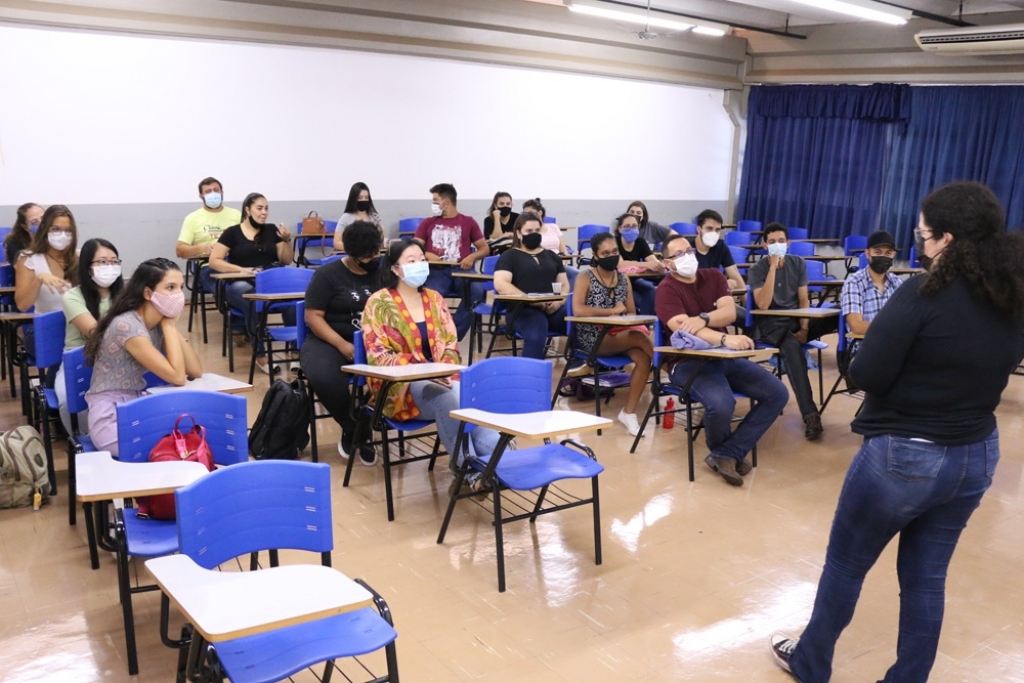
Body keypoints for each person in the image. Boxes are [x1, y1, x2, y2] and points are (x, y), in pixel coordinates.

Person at [769, 182, 1024, 683]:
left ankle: (810, 661)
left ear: (946, 239)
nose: (919, 244)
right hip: (975, 455)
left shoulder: (922, 292)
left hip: (905, 456)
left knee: (846, 565)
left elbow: (866, 374)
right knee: (926, 578)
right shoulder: (1011, 294)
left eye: (923, 234)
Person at [361, 239, 499, 493]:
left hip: (442, 377)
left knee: (473, 398)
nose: (420, 265)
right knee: (446, 399)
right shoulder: (378, 304)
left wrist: (443, 372)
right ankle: (468, 472)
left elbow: (450, 343)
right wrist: (425, 371)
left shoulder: (435, 299)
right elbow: (379, 356)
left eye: (423, 260)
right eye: (411, 261)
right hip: (397, 387)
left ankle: (496, 465)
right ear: (395, 269)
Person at [655, 233, 788, 486]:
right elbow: (683, 329)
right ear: (668, 263)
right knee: (722, 403)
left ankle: (728, 452)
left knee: (777, 393)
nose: (688, 257)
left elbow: (728, 312)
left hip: (721, 357)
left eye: (689, 251)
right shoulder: (665, 291)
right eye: (679, 255)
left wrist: (704, 319)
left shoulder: (713, 276)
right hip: (686, 362)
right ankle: (726, 453)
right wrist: (725, 339)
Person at [85, 258, 203, 456]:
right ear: (148, 293)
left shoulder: (157, 322)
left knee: (187, 438)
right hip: (110, 417)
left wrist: (168, 327)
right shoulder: (127, 326)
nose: (179, 295)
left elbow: (195, 370)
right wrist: (169, 326)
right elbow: (177, 377)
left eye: (181, 287)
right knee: (173, 447)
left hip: (136, 407)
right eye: (170, 287)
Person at [301, 221, 383, 466]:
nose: (375, 259)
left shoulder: (384, 271)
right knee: (323, 376)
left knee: (402, 368)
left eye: (377, 253)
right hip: (329, 339)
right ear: (353, 255)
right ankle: (354, 426)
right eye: (369, 256)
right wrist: (341, 344)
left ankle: (367, 413)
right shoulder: (327, 275)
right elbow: (313, 317)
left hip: (375, 340)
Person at [747, 222, 836, 440]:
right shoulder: (757, 270)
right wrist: (772, 270)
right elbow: (764, 305)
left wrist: (805, 327)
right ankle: (811, 415)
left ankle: (848, 367)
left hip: (797, 321)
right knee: (793, 353)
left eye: (780, 241)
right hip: (773, 325)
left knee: (838, 312)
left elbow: (804, 299)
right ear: (764, 246)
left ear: (788, 243)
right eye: (771, 242)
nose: (776, 245)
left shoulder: (797, 263)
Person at [571, 231, 653, 436]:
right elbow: (578, 310)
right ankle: (670, 366)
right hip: (593, 337)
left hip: (621, 333)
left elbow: (632, 312)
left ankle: (629, 413)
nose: (612, 256)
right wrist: (611, 312)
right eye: (606, 253)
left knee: (643, 358)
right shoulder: (585, 277)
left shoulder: (624, 278)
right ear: (596, 256)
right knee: (640, 338)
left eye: (615, 251)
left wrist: (622, 317)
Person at [208, 192, 295, 374]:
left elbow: (286, 260)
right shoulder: (233, 233)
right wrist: (243, 270)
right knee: (252, 300)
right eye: (259, 208)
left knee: (292, 302)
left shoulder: (272, 230)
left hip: (269, 281)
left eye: (266, 208)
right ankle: (261, 355)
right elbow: (214, 261)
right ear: (248, 210)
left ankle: (295, 352)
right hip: (239, 281)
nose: (264, 212)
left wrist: (287, 240)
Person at [55, 238, 123, 434]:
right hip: (81, 360)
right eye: (102, 262)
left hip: (120, 360)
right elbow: (95, 333)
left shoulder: (126, 296)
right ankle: (84, 442)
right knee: (68, 400)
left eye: (114, 261)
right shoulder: (73, 296)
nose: (109, 266)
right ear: (87, 267)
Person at [413, 183, 489, 340]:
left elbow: (484, 248)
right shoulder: (428, 222)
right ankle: (433, 337)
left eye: (435, 200)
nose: (433, 204)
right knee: (430, 295)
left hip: (463, 270)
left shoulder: (468, 222)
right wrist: (426, 253)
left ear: (446, 201)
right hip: (436, 272)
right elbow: (413, 246)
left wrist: (472, 257)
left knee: (475, 292)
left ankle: (452, 335)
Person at [15, 205, 79, 386]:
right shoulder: (29, 259)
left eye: (68, 230)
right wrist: (39, 278)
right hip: (45, 329)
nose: (62, 235)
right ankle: (56, 396)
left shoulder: (79, 257)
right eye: (56, 229)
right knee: (67, 353)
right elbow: (21, 304)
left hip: (76, 327)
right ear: (45, 230)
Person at [493, 212, 569, 360]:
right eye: (529, 231)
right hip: (522, 310)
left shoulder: (552, 256)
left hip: (553, 308)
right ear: (519, 233)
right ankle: (529, 379)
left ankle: (583, 370)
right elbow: (501, 284)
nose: (533, 234)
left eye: (536, 231)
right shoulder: (509, 256)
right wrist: (533, 301)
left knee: (581, 324)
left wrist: (559, 301)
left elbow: (564, 284)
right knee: (535, 335)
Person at [175, 177, 242, 294]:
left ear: (222, 192)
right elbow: (180, 250)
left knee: (249, 281)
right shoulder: (192, 218)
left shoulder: (236, 215)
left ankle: (242, 309)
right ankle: (234, 309)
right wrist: (204, 248)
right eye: (208, 191)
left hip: (236, 263)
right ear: (201, 196)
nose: (213, 194)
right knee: (228, 286)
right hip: (208, 266)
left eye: (216, 190)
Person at [840, 230, 902, 336]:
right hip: (864, 347)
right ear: (867, 253)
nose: (883, 257)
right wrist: (892, 329)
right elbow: (857, 326)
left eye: (888, 253)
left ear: (894, 255)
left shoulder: (897, 283)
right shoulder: (854, 283)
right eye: (878, 252)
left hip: (894, 346)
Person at [614, 212, 665, 315]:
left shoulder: (640, 242)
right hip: (620, 283)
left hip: (636, 279)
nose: (631, 229)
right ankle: (644, 325)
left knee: (657, 286)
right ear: (620, 229)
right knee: (649, 294)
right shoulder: (614, 242)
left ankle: (651, 324)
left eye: (634, 226)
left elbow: (652, 260)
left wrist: (661, 265)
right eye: (627, 226)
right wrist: (645, 265)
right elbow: (620, 264)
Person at [523, 197, 579, 290]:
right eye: (525, 214)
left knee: (574, 273)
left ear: (540, 212)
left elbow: (564, 250)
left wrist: (562, 264)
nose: (528, 216)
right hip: (542, 266)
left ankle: (568, 300)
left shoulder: (554, 227)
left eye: (531, 213)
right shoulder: (528, 231)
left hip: (559, 264)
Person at [692, 209, 745, 290]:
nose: (713, 233)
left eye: (717, 230)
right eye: (709, 228)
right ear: (699, 229)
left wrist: (747, 302)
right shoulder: (687, 249)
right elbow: (690, 283)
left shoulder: (721, 246)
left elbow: (735, 275)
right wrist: (721, 284)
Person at [333, 181, 383, 252]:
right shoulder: (346, 217)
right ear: (354, 199)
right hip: (352, 256)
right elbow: (336, 242)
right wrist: (356, 250)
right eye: (360, 197)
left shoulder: (375, 217)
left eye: (366, 197)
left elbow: (381, 239)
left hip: (371, 255)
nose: (363, 200)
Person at [4, 202, 43, 267]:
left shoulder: (52, 237)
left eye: (43, 218)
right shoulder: (15, 244)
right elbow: (24, 268)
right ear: (25, 227)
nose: (41, 223)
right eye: (35, 222)